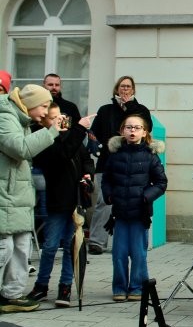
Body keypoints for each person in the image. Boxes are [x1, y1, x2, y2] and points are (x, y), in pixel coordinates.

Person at [0, 84, 61, 312]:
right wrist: (51, 131)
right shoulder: (5, 116)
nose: (45, 112)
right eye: (43, 106)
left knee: (21, 247)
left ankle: (12, 295)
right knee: (4, 247)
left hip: (18, 196)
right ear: (30, 103)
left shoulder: (22, 119)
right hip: (5, 196)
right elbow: (21, 149)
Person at [26, 103, 93, 307]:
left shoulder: (72, 137)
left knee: (71, 246)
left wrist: (87, 174)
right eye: (54, 118)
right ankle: (41, 285)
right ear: (46, 122)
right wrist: (80, 129)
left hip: (75, 201)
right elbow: (63, 153)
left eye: (62, 116)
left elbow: (85, 158)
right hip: (57, 201)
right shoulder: (44, 141)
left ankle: (65, 286)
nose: (60, 121)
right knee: (50, 246)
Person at [102, 113, 167, 302]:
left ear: (144, 132)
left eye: (137, 128)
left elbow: (161, 183)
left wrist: (146, 197)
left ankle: (137, 287)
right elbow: (106, 180)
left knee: (139, 254)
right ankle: (119, 288)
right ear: (122, 131)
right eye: (129, 127)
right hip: (120, 213)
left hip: (140, 213)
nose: (132, 131)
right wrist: (109, 195)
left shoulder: (151, 156)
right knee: (119, 254)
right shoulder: (115, 155)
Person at [88, 76, 153, 255]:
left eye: (128, 87)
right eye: (122, 86)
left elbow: (148, 128)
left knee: (132, 203)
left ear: (133, 90)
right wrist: (97, 147)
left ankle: (127, 243)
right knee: (104, 201)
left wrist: (129, 107)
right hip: (107, 163)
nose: (125, 89)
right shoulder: (105, 110)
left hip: (134, 165)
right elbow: (94, 133)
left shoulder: (140, 110)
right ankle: (97, 242)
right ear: (117, 89)